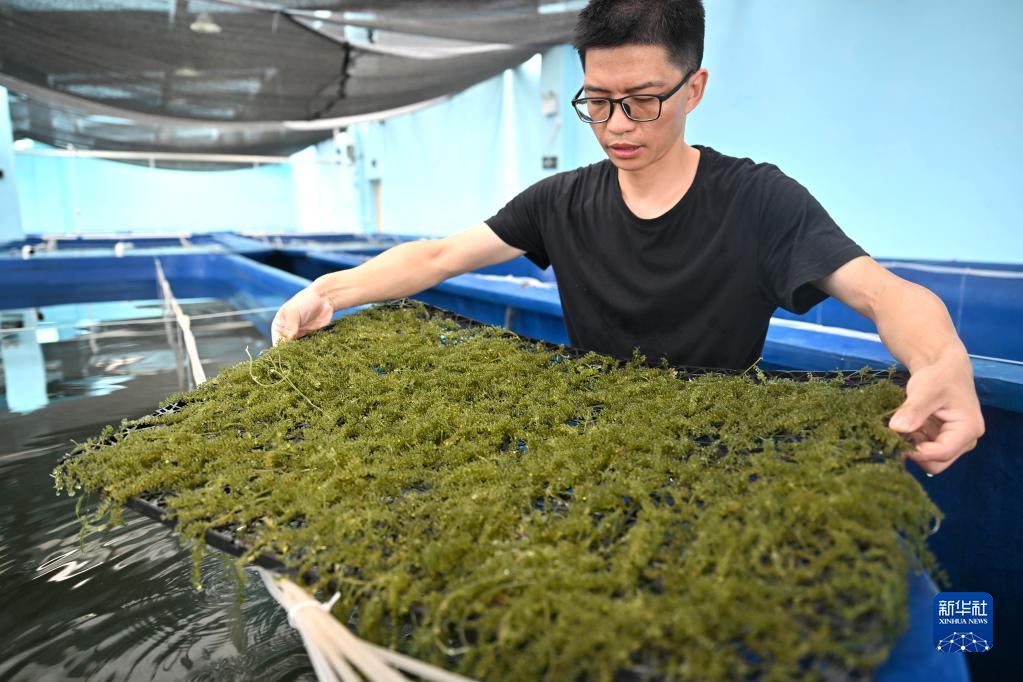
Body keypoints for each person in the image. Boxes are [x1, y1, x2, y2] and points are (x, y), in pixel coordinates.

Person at [271, 0, 983, 475]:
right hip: (594, 449)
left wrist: (941, 359)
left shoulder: (758, 200)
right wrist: (327, 291)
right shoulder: (562, 201)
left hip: (721, 455)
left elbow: (883, 294)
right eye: (598, 101)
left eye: (643, 101)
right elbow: (438, 256)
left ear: (693, 89)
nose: (616, 126)